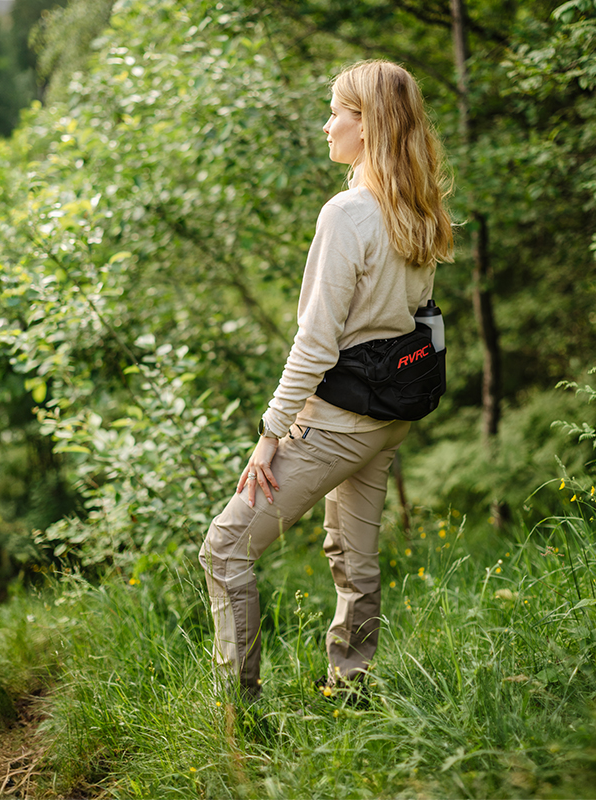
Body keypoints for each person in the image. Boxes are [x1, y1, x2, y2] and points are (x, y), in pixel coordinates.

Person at [199, 59, 453, 704]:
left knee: (225, 549)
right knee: (355, 558)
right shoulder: (416, 209)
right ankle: (351, 686)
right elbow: (417, 319)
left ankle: (238, 709)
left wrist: (270, 434)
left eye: (338, 111)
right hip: (390, 412)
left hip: (338, 419)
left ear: (366, 126)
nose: (327, 125)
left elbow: (315, 342)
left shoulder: (349, 213)